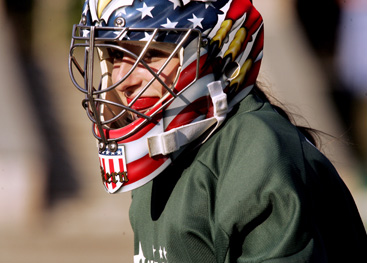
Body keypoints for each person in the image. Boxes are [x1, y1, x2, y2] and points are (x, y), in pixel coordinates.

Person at [69, 0, 367, 262]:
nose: (123, 80)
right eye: (115, 55)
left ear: (215, 57)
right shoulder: (164, 148)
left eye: (149, 55)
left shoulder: (259, 158)